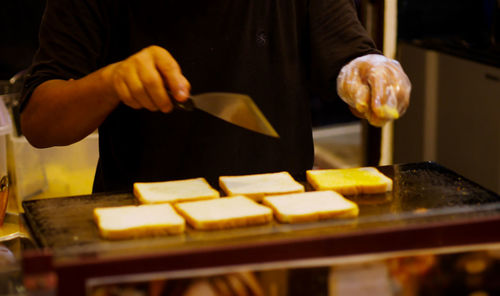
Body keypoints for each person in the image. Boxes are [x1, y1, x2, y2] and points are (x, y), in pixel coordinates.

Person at [20, 0, 410, 193]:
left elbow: (348, 51)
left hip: (277, 223)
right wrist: (110, 81)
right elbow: (40, 121)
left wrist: (369, 68)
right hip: (142, 233)